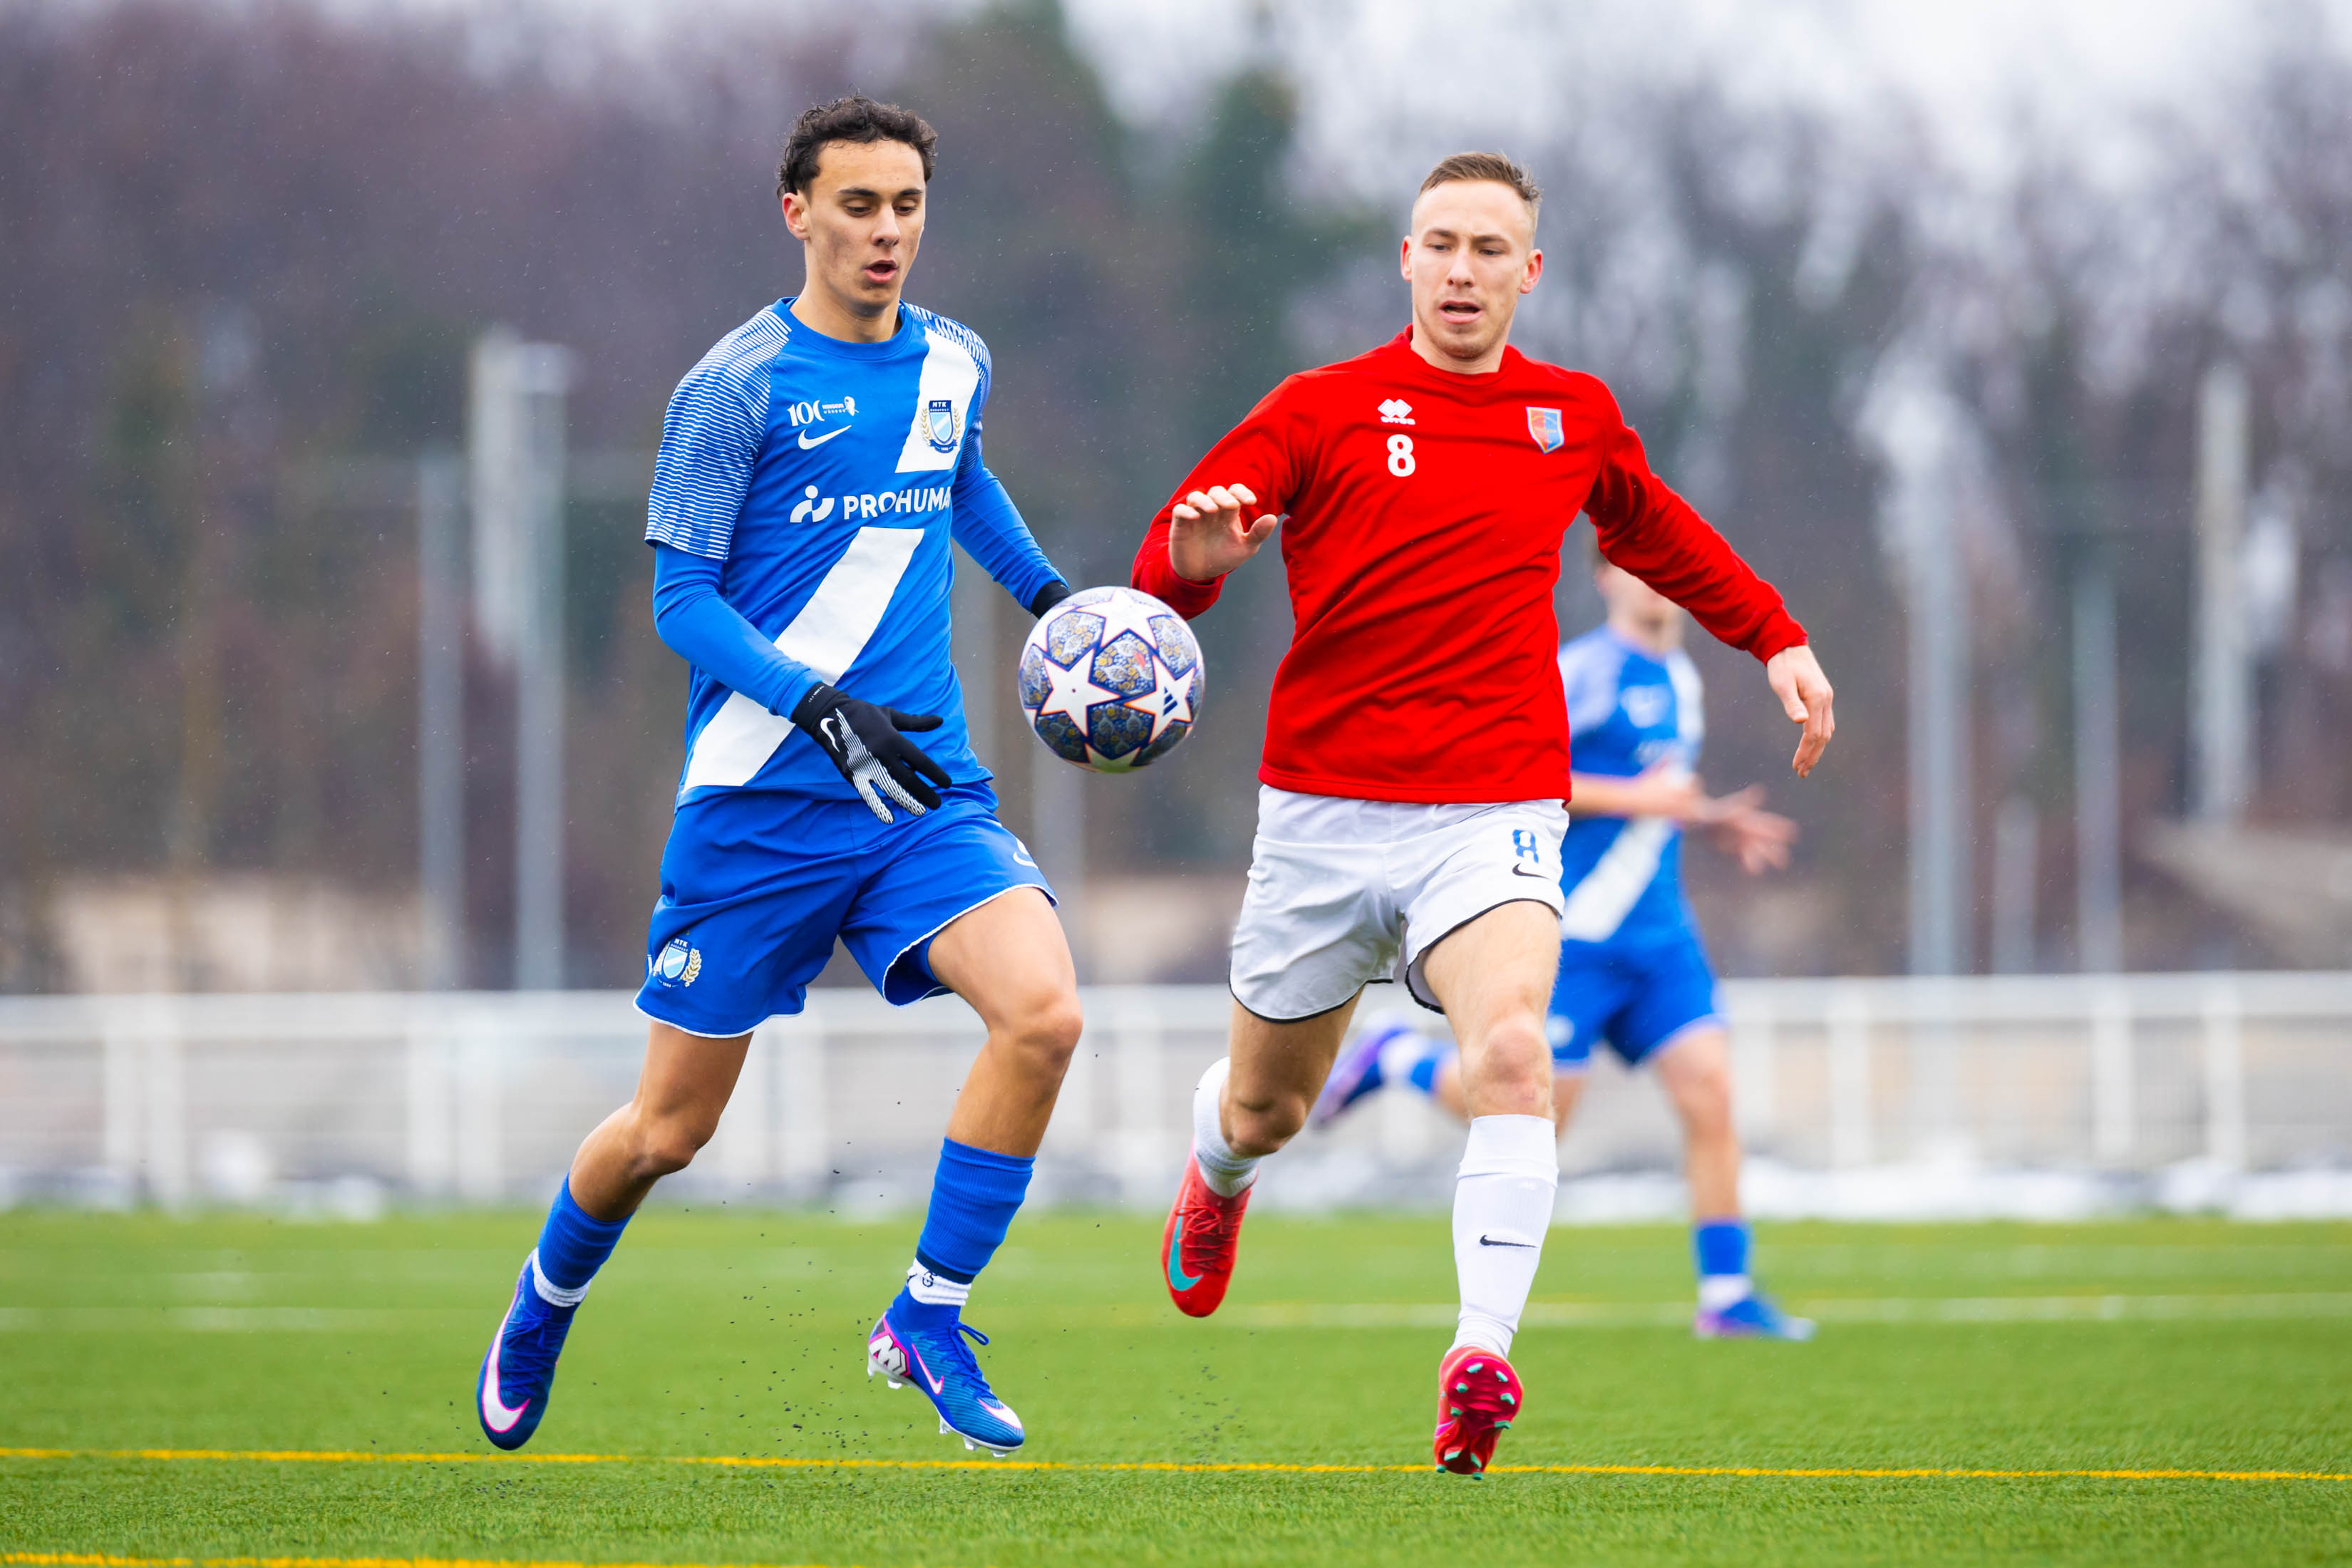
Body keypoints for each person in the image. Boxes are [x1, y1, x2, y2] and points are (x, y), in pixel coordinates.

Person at [1129, 152, 1835, 1475]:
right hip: (1324, 813)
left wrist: (1776, 639)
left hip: (1494, 808)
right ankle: (1220, 1175)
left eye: (1488, 249)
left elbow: (1664, 535)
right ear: (1406, 260)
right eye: (1439, 244)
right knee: (1269, 1109)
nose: (1462, 269)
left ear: (1529, 271)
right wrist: (1195, 562)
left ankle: (1481, 1356)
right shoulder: (1321, 408)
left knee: (1515, 1051)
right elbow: (1166, 558)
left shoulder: (1571, 415)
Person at [473, 96, 1083, 1461]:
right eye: (858, 206)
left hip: (921, 791)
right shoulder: (734, 386)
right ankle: (547, 1295)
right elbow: (681, 603)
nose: (886, 233)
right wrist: (815, 707)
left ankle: (926, 1314)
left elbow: (960, 481)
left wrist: (1052, 601)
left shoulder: (955, 360)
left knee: (1043, 1015)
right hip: (758, 812)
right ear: (796, 210)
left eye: (907, 206)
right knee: (664, 1134)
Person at [1311, 558, 1816, 1341]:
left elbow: (1650, 799)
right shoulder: (1582, 671)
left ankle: (1726, 1293)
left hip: (1659, 937)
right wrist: (1644, 798)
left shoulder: (1681, 675)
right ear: (1606, 579)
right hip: (1574, 936)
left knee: (1711, 1093)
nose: (1654, 582)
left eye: (1664, 570)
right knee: (1537, 1119)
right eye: (1634, 569)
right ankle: (1395, 1058)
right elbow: (1524, 772)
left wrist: (1707, 818)